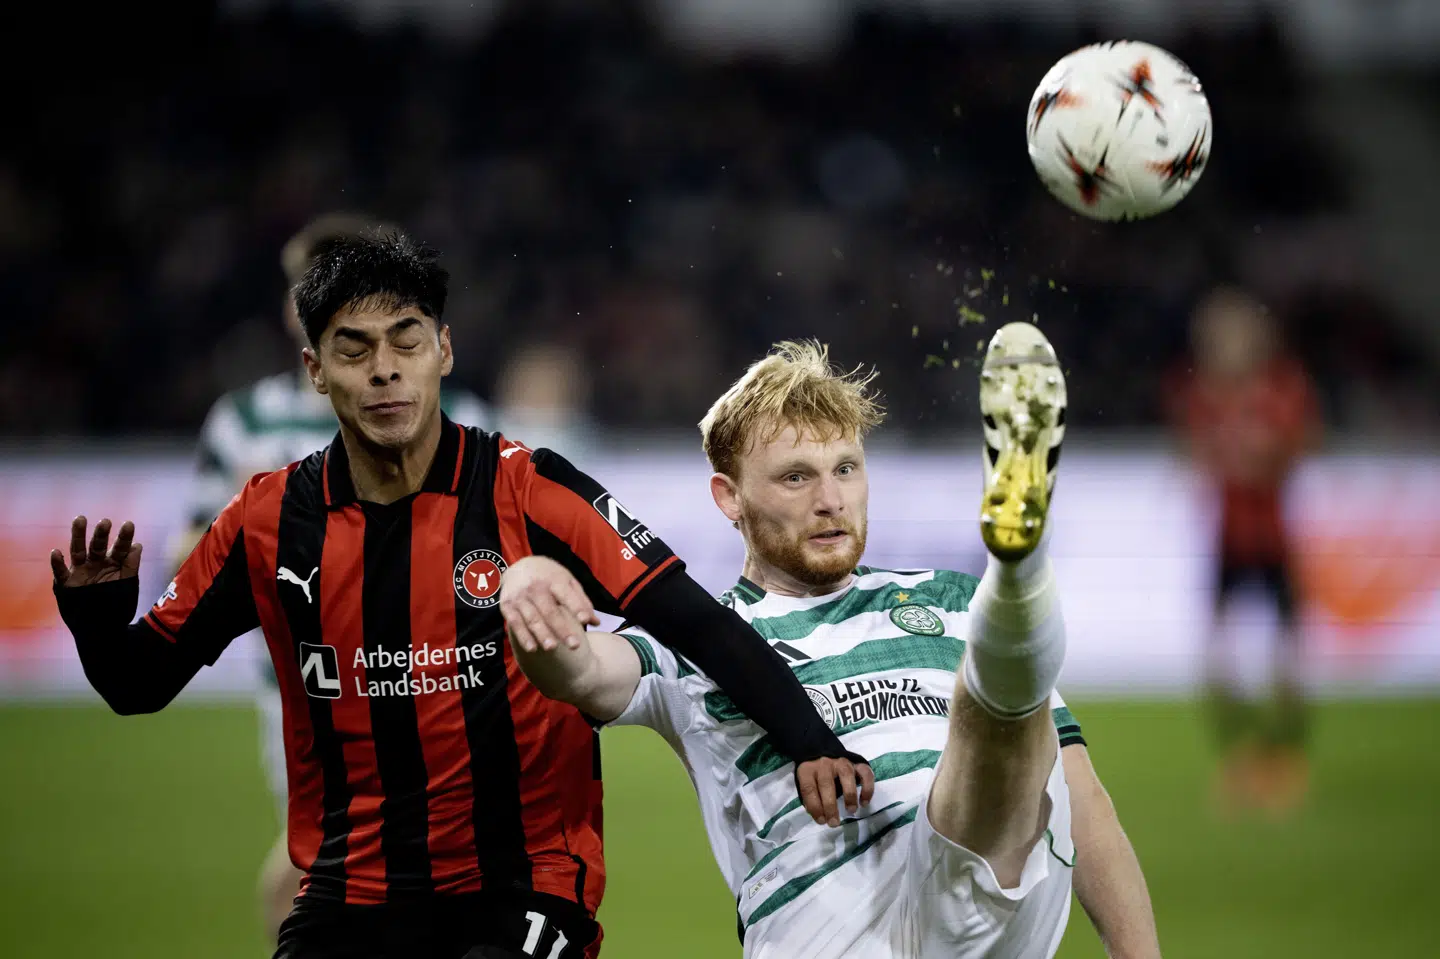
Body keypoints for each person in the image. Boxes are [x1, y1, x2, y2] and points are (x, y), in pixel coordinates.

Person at [50, 230, 872, 959]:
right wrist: (96, 624)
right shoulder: (266, 522)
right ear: (314, 370)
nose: (383, 369)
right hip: (350, 890)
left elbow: (695, 618)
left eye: (405, 340)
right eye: (353, 347)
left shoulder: (531, 490)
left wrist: (812, 739)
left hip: (525, 885)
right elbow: (137, 682)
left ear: (443, 349)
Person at [499, 332, 1162, 958]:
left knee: (1000, 734)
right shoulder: (705, 638)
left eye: (845, 468)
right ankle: (1019, 590)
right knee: (993, 710)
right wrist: (534, 603)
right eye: (795, 477)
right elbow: (584, 672)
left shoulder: (949, 600)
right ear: (729, 498)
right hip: (829, 924)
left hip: (985, 882)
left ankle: (1017, 574)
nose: (829, 499)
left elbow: (1082, 798)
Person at [167, 213, 492, 944]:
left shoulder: (457, 412)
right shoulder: (244, 421)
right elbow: (187, 549)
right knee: (331, 856)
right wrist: (253, 535)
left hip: (436, 670)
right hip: (304, 680)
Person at [1170, 287, 1320, 815]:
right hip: (1228, 543)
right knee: (1216, 661)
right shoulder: (1205, 396)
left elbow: (1294, 453)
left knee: (1287, 661)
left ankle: (1286, 760)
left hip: (1272, 542)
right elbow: (1194, 457)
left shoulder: (1281, 388)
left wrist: (1246, 459)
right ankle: (1241, 758)